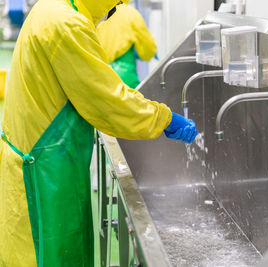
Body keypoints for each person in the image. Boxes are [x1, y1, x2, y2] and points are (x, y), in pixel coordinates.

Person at [0, 0, 197, 266]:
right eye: (115, 4)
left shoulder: (51, 8)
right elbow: (108, 102)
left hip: (40, 158)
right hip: (45, 172)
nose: (112, 11)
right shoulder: (66, 24)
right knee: (51, 256)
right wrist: (164, 118)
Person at [96, 3, 156, 89]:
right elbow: (148, 52)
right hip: (125, 80)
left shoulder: (97, 15)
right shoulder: (130, 13)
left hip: (100, 77)